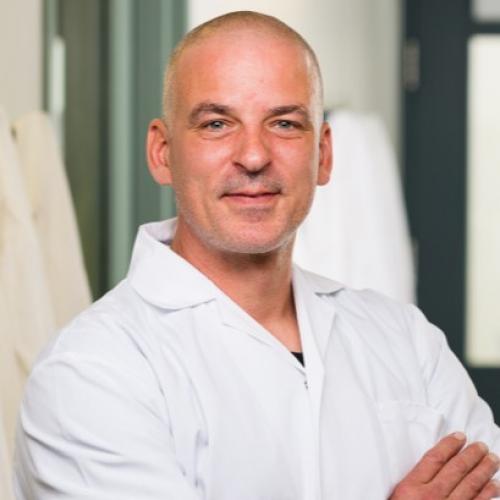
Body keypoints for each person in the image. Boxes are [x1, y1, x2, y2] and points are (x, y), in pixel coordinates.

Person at [14, 11, 500, 500]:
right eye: (217, 124)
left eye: (284, 123)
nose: (253, 156)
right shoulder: (91, 371)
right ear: (162, 152)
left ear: (323, 155)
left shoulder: (406, 341)